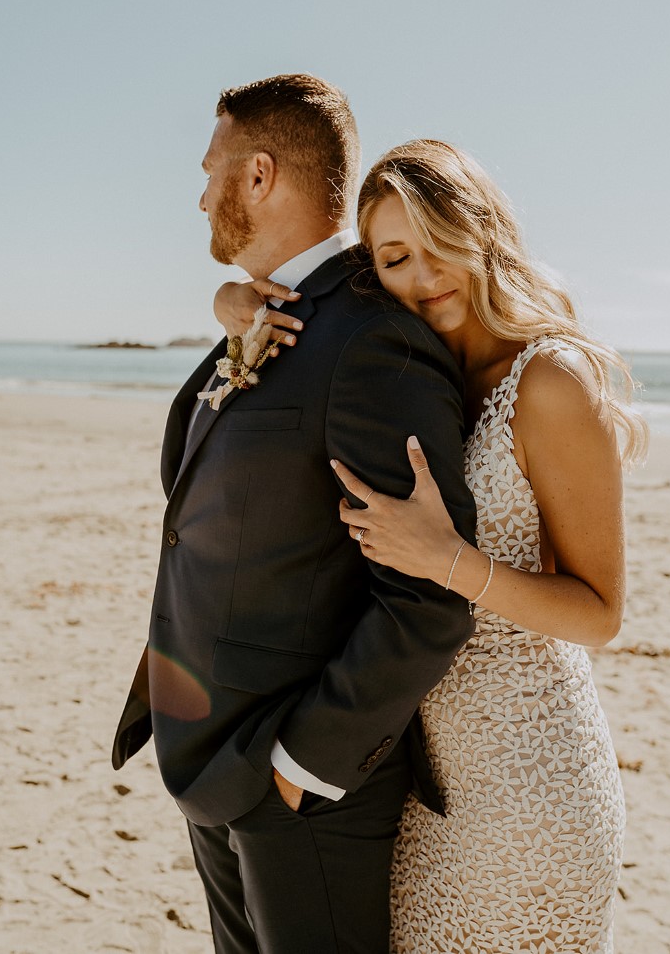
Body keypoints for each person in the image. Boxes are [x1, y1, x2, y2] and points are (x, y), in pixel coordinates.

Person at [216, 139, 648, 953]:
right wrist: (232, 301)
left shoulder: (550, 378)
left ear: (481, 230)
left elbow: (599, 614)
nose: (423, 275)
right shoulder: (428, 369)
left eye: (438, 240)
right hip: (429, 787)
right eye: (393, 257)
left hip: (530, 783)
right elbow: (312, 298)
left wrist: (446, 561)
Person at [112, 81, 481, 954]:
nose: (201, 194)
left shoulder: (370, 342)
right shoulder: (270, 314)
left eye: (212, 172)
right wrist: (228, 314)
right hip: (209, 757)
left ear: (260, 176)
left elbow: (428, 597)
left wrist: (297, 769)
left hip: (295, 788)